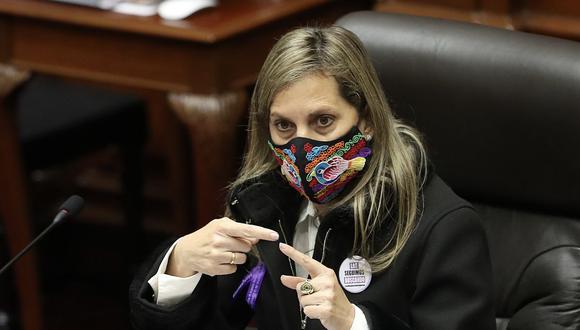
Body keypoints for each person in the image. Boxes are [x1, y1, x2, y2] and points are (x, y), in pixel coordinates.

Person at [129, 26, 495, 330]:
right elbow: (229, 313)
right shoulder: (263, 212)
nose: (303, 146)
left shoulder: (443, 227)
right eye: (284, 126)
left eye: (322, 121)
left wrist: (353, 323)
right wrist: (180, 267)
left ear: (366, 120)